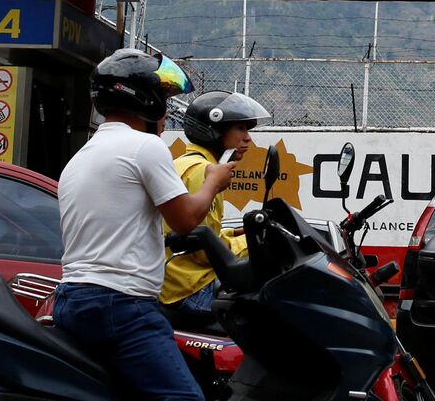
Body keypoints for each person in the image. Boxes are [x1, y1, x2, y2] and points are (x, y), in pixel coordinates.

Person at [52, 50, 231, 400]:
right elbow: (184, 220)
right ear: (143, 99)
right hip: (121, 304)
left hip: (72, 299)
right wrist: (213, 181)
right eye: (164, 98)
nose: (167, 112)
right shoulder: (144, 147)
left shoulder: (81, 157)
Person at [158, 90, 271, 329]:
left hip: (174, 284)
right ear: (214, 130)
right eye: (240, 128)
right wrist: (250, 244)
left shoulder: (184, 163)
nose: (248, 138)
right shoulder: (203, 171)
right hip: (193, 289)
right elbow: (200, 251)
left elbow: (198, 234)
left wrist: (232, 236)